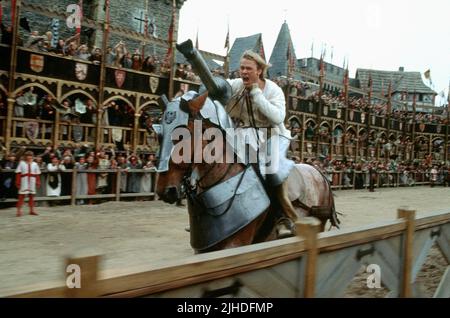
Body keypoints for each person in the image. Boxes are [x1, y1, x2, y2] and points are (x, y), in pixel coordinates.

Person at [226, 50, 297, 238]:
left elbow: (277, 117)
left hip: (273, 135)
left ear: (259, 71)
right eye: (241, 68)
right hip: (245, 135)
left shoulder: (273, 90)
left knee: (272, 171)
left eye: (248, 68)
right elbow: (220, 88)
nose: (243, 72)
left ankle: (282, 217)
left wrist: (257, 93)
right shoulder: (236, 85)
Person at [15, 151, 41, 216]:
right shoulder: (22, 163)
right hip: (24, 181)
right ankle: (18, 211)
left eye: (30, 155)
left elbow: (37, 174)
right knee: (21, 196)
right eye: (28, 155)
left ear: (32, 156)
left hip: (32, 181)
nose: (29, 157)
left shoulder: (35, 164)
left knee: (31, 196)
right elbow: (18, 173)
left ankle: (31, 210)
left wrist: (38, 182)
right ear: (25, 156)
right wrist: (18, 182)